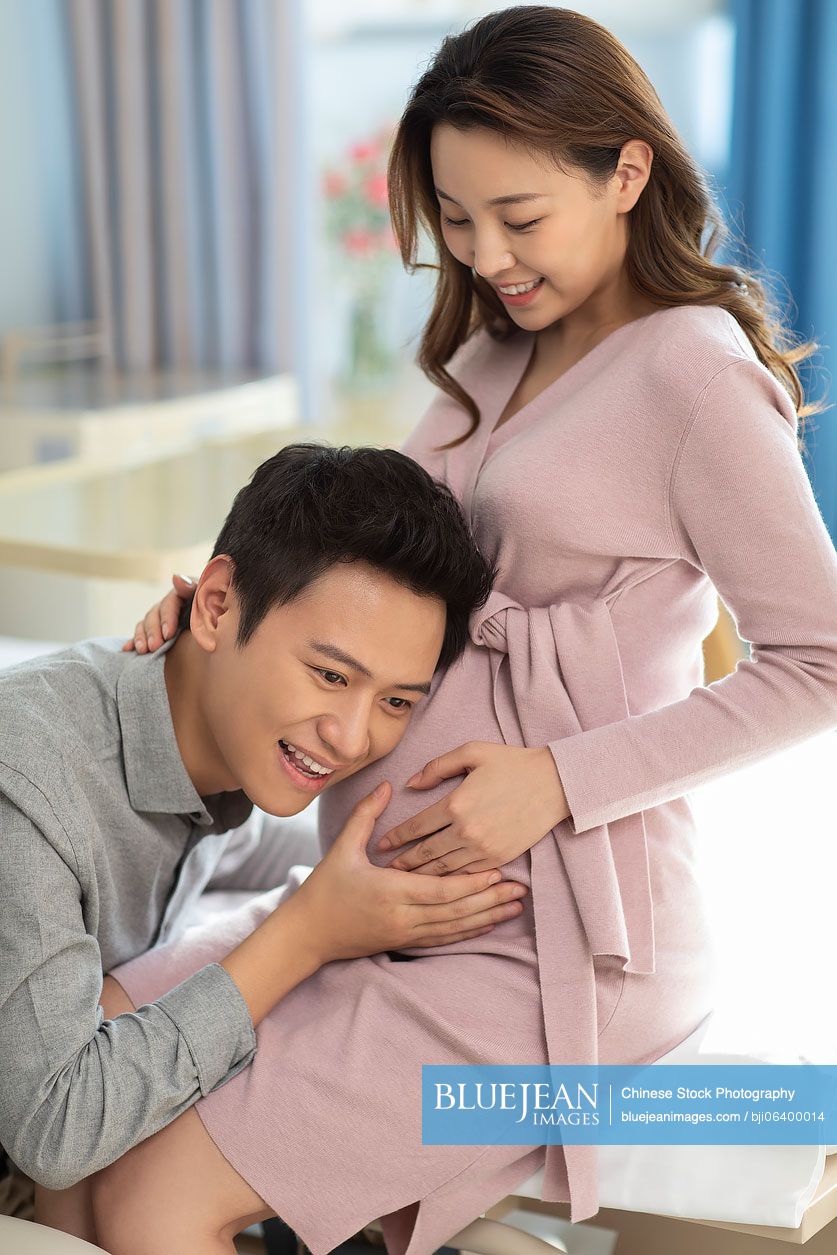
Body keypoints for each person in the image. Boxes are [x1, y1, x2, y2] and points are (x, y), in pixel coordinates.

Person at [87, 6, 837, 1255]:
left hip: (552, 951)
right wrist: (225, 617)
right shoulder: (494, 353)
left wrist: (555, 780)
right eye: (456, 216)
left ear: (626, 171)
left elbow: (822, 660)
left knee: (153, 1193)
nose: (484, 253)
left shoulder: (693, 375)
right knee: (93, 1063)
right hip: (377, 899)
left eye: (520, 217)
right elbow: (374, 572)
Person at [0, 442, 527, 1239]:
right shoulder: (29, 776)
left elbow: (262, 849)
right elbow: (54, 1131)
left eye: (395, 701)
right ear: (215, 605)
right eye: (329, 675)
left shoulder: (218, 753)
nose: (350, 736)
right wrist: (306, 932)